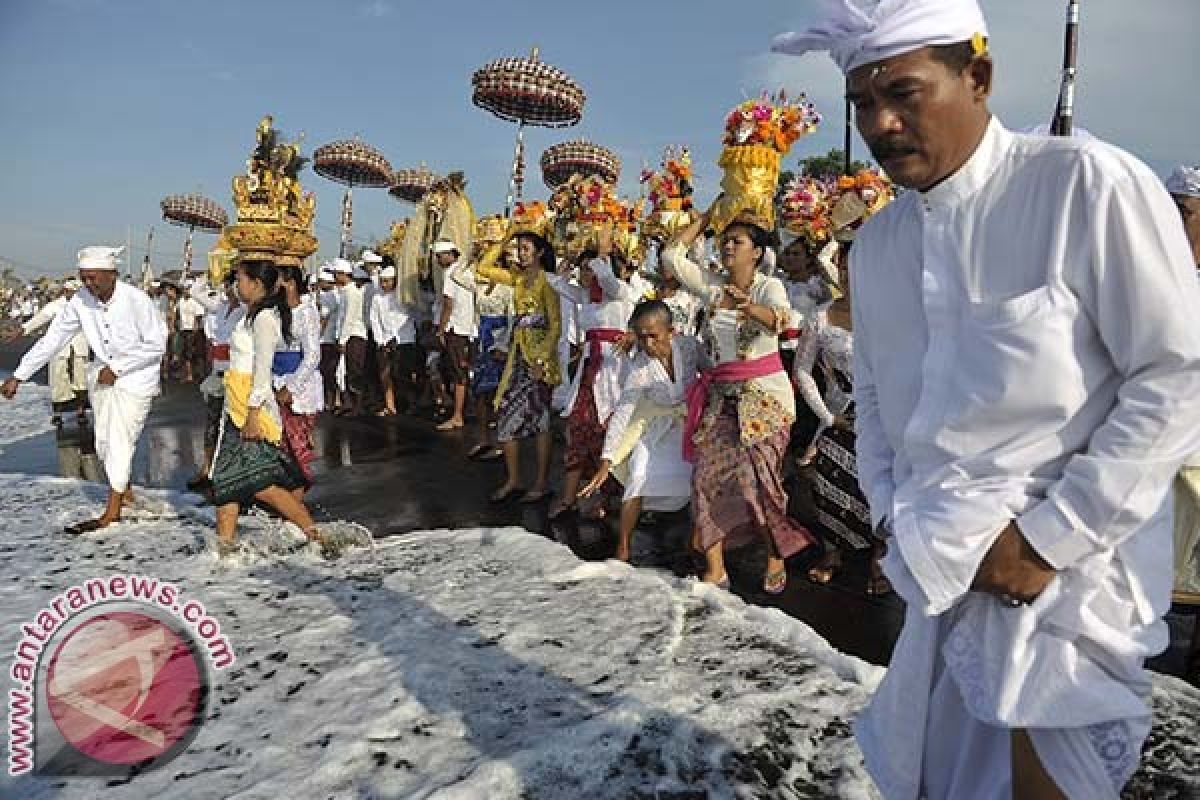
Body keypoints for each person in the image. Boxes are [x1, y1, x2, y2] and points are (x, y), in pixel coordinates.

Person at [773, 4, 1200, 798]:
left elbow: (1173, 376)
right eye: (863, 102)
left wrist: (1044, 541)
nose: (882, 122)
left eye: (904, 91)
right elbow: (874, 402)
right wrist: (895, 517)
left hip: (1069, 585)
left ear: (979, 75)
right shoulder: (882, 246)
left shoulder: (1082, 186)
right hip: (939, 573)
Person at [661, 212, 815, 593]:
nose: (728, 247)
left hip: (765, 398)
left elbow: (783, 321)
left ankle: (774, 552)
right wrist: (709, 216)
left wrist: (749, 307)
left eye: (738, 242)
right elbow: (671, 257)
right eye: (725, 241)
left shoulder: (769, 288)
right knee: (705, 476)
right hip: (721, 397)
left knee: (756, 482)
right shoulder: (714, 288)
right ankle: (716, 568)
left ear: (758, 253)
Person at [2, 246, 168, 533]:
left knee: (119, 441)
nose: (88, 284)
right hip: (101, 378)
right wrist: (19, 375)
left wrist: (118, 368)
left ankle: (112, 511)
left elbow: (157, 344)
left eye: (93, 278)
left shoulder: (136, 299)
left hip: (136, 380)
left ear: (111, 274)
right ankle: (124, 492)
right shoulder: (80, 301)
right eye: (84, 278)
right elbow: (52, 339)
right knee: (103, 442)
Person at [208, 259, 318, 557]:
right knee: (229, 482)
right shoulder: (248, 315)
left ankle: (314, 535)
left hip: (251, 407)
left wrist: (254, 414)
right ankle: (224, 553)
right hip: (236, 404)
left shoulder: (265, 318)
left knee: (259, 484)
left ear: (256, 284)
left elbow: (261, 370)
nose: (236, 285)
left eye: (241, 279)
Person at [580, 299, 702, 561]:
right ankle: (623, 547)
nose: (648, 344)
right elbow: (623, 411)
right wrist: (606, 460)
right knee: (638, 473)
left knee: (700, 478)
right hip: (655, 427)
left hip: (689, 424)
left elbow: (712, 373)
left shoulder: (690, 348)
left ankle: (698, 540)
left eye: (654, 336)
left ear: (671, 331)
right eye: (642, 337)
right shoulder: (639, 367)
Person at [547, 229, 639, 520]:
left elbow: (609, 282)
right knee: (578, 430)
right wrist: (569, 264)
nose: (587, 274)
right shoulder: (585, 296)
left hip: (616, 373)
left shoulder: (621, 292)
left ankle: (605, 498)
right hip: (589, 372)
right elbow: (558, 285)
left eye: (592, 268)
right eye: (584, 270)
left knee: (611, 434)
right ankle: (569, 497)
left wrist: (602, 254)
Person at [474, 231, 562, 504]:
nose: (520, 254)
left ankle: (541, 482)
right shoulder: (518, 279)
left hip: (538, 362)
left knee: (541, 421)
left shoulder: (549, 283)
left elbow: (555, 326)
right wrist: (503, 241)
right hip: (517, 358)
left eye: (525, 249)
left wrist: (542, 361)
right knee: (506, 417)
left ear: (539, 253)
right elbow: (482, 268)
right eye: (519, 249)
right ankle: (513, 480)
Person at [185, 271, 243, 492]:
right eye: (229, 285)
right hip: (217, 373)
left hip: (237, 374)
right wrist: (205, 275)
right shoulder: (220, 307)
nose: (231, 290)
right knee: (211, 423)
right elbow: (194, 292)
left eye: (236, 285)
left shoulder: (245, 310)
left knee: (232, 426)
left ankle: (230, 472)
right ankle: (207, 469)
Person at [9, 279, 90, 427]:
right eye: (71, 292)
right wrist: (24, 329)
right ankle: (57, 414)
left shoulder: (86, 304)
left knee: (81, 380)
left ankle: (80, 412)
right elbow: (40, 318)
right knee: (58, 381)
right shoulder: (56, 305)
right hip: (59, 348)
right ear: (65, 291)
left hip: (79, 346)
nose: (74, 294)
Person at [273, 265, 323, 485]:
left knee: (297, 448)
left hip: (298, 384)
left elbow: (312, 355)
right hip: (273, 381)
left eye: (278, 281)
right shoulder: (273, 310)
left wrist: (291, 387)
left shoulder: (306, 310)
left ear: (291, 284)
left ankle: (297, 503)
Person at [434, 240, 477, 431]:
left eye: (440, 255)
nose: (438, 259)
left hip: (457, 329)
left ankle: (458, 415)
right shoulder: (465, 271)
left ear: (451, 254)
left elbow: (448, 305)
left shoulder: (452, 274)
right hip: (468, 328)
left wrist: (441, 329)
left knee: (458, 373)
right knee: (462, 371)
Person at [369, 264, 421, 416]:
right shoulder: (377, 298)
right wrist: (380, 340)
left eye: (388, 281)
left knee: (405, 374)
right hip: (384, 340)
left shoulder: (403, 296)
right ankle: (390, 406)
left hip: (405, 339)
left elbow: (413, 315)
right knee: (385, 375)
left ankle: (410, 403)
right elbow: (374, 320)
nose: (384, 285)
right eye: (382, 281)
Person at [333, 258, 368, 416]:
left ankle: (358, 405)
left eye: (336, 274)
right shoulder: (346, 292)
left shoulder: (353, 292)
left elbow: (350, 318)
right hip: (347, 335)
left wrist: (343, 339)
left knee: (355, 371)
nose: (334, 277)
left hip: (354, 335)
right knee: (345, 370)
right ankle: (349, 403)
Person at [315, 266, 341, 412]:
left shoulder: (329, 296)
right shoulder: (331, 295)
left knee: (328, 372)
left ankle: (331, 400)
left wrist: (318, 334)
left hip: (327, 339)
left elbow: (324, 318)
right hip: (328, 338)